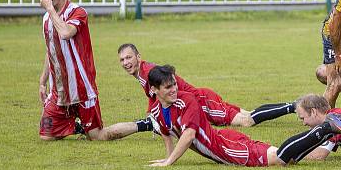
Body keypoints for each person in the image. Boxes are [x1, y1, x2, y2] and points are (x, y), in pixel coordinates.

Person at [146, 65, 341, 167]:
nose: (174, 89)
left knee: (278, 158)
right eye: (168, 87)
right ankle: (324, 131)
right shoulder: (156, 109)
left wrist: (169, 162)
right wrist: (167, 157)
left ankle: (325, 129)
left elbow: (188, 135)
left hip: (224, 147)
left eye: (174, 84)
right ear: (155, 90)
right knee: (286, 158)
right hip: (226, 139)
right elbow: (167, 132)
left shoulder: (188, 101)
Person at [38, 0, 151, 141]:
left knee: (99, 136)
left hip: (82, 89)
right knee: (46, 136)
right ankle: (78, 127)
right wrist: (42, 80)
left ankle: (146, 124)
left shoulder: (77, 12)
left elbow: (65, 33)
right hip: (59, 91)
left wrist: (50, 11)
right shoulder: (47, 18)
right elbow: (50, 49)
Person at [118, 43, 295, 127]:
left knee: (246, 121)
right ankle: (292, 106)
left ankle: (293, 106)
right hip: (200, 99)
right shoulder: (143, 73)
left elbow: (169, 85)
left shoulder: (147, 72)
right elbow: (155, 95)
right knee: (249, 114)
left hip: (202, 101)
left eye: (129, 57)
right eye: (122, 60)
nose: (126, 62)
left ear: (138, 57)